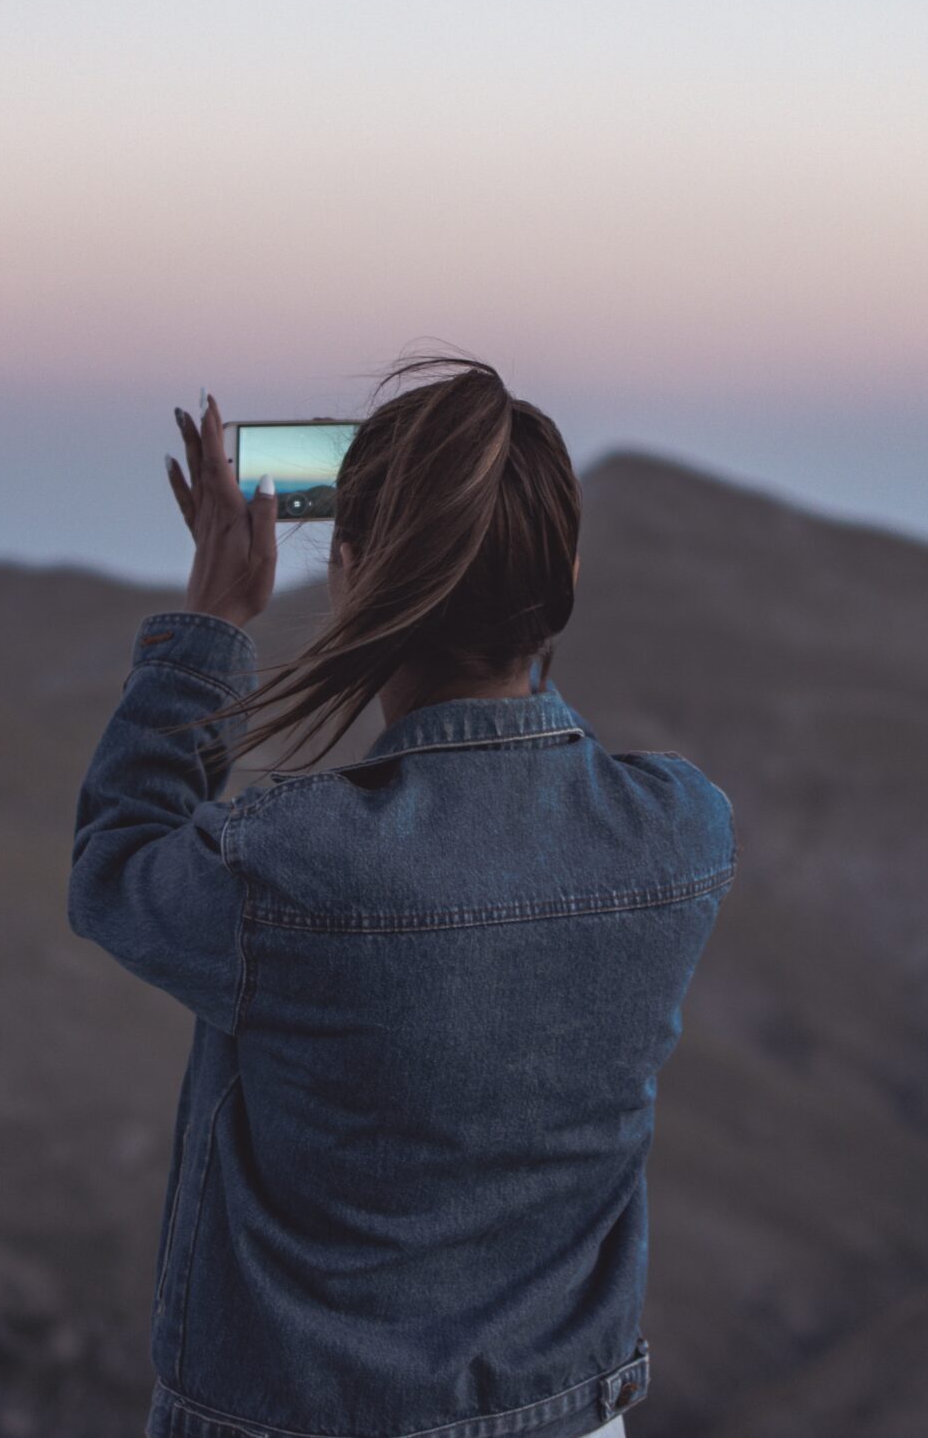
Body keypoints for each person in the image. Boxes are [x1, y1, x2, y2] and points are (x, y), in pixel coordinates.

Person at [70, 353, 736, 1438]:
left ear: (351, 576)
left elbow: (117, 859)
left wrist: (215, 619)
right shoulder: (680, 833)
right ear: (563, 575)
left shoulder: (288, 865)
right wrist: (499, 577)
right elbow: (525, 751)